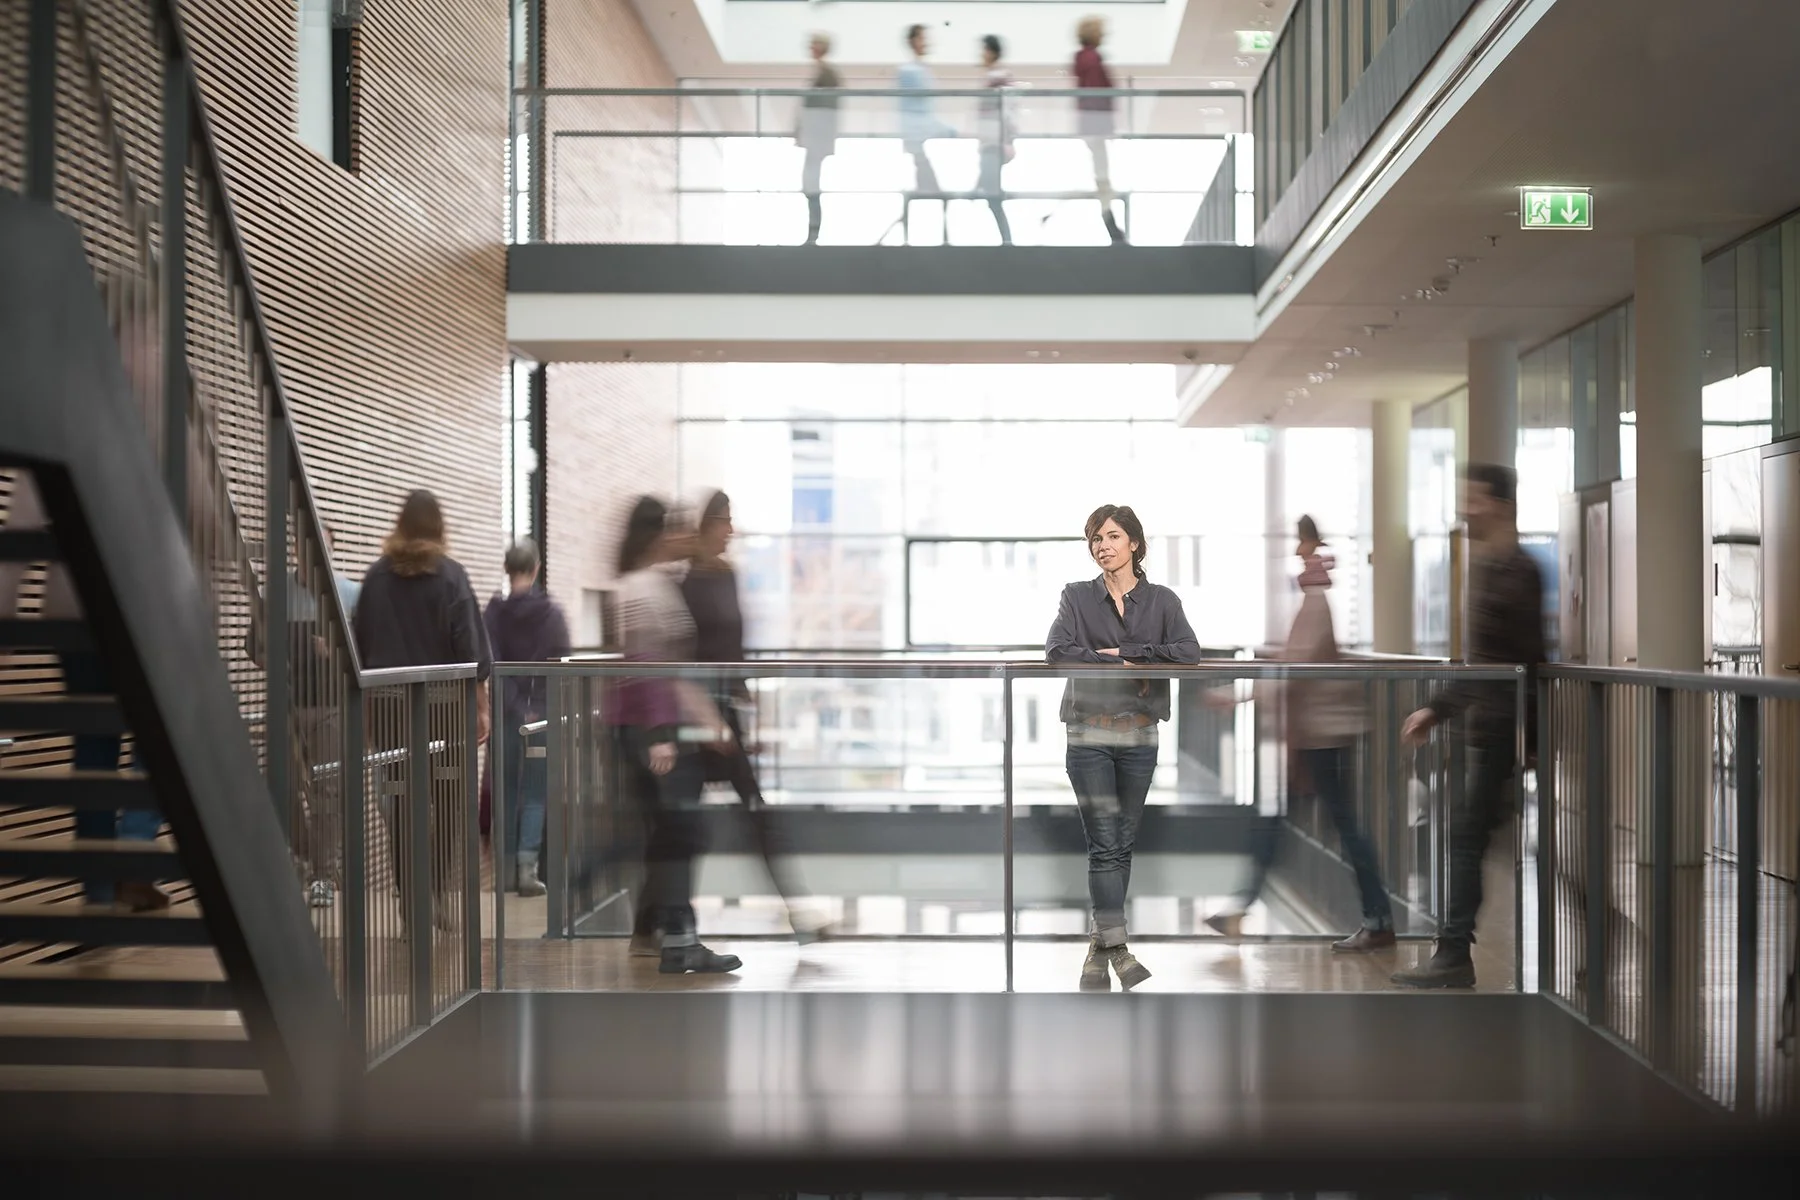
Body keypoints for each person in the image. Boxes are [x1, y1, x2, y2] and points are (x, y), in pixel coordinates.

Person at [1205, 516, 1396, 950]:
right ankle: (1243, 907)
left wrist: (1237, 696)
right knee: (1293, 824)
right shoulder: (1313, 606)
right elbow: (1292, 665)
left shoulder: (1314, 607)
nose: (1296, 552)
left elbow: (1293, 671)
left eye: (1300, 543)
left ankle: (1378, 918)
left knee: (1335, 827)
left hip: (1324, 737)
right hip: (1317, 736)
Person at [1393, 464, 1545, 989]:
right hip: (1485, 727)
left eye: (1474, 499)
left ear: (1501, 505)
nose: (1464, 509)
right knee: (1474, 839)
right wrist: (1438, 710)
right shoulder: (1489, 566)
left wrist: (1531, 737)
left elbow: (1524, 661)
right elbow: (1486, 663)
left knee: (1467, 838)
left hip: (1500, 729)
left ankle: (1454, 952)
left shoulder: (1519, 570)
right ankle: (1454, 950)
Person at [1046, 504, 1200, 990]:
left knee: (1121, 842)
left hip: (1139, 735)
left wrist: (1131, 653)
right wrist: (1118, 664)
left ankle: (1100, 950)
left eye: (1112, 536)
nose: (1102, 546)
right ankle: (1118, 948)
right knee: (1105, 843)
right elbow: (1057, 651)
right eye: (1096, 538)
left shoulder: (1162, 602)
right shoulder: (1076, 596)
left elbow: (1189, 652)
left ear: (1134, 543)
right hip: (1088, 734)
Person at [680, 490, 830, 944]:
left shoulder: (727, 576)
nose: (730, 529)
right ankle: (667, 927)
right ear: (707, 524)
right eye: (724, 520)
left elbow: (735, 654)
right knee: (683, 830)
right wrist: (707, 717)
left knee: (756, 816)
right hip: (693, 721)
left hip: (726, 718)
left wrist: (748, 715)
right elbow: (684, 656)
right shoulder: (685, 581)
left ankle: (796, 911)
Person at [609, 496, 742, 975]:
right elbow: (647, 667)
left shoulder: (653, 582)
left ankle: (654, 932)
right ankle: (681, 940)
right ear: (657, 535)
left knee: (670, 832)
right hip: (653, 730)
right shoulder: (642, 588)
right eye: (674, 528)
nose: (684, 535)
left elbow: (673, 669)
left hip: (656, 725)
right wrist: (660, 733)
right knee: (683, 830)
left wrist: (708, 718)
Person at [354, 490, 493, 936]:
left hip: (392, 713)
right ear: (438, 527)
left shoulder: (376, 578)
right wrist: (481, 706)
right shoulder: (451, 576)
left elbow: (359, 645)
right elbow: (471, 649)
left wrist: (367, 713)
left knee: (401, 804)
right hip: (445, 714)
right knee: (450, 803)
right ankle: (433, 891)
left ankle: (411, 899)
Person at [484, 537, 571, 898]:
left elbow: (490, 663)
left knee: (504, 791)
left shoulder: (493, 614)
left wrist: (515, 704)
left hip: (505, 713)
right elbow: (560, 661)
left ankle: (504, 872)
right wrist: (535, 707)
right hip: (541, 716)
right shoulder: (552, 614)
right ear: (536, 569)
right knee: (535, 791)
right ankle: (527, 870)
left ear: (507, 569)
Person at [893, 23, 950, 244]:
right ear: (913, 41)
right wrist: (948, 131)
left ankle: (922, 236)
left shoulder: (920, 70)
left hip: (924, 138)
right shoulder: (910, 72)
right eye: (922, 38)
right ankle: (937, 238)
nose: (926, 42)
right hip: (918, 138)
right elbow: (916, 108)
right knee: (931, 190)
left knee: (927, 189)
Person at [1072, 17, 1126, 245]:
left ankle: (1109, 218)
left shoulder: (1084, 58)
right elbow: (1097, 94)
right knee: (1102, 174)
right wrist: (1106, 124)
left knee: (1100, 172)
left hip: (1091, 123)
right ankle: (1109, 220)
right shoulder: (1092, 59)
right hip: (1096, 123)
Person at [799, 33, 842, 245]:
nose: (811, 47)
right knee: (809, 184)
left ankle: (814, 232)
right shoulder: (821, 72)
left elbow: (828, 106)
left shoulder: (827, 73)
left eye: (814, 44)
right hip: (814, 136)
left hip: (817, 136)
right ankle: (813, 231)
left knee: (811, 185)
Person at [977, 34, 1016, 246]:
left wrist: (1006, 140)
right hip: (991, 143)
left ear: (991, 51)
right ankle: (1006, 240)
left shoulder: (998, 76)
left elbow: (1007, 112)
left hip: (994, 143)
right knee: (988, 193)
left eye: (984, 50)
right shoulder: (994, 76)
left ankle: (1007, 241)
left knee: (991, 195)